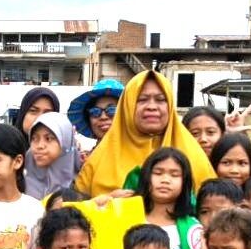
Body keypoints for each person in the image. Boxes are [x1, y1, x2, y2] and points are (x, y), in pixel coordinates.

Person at [74, 71, 213, 197]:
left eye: (160, 100)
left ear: (170, 105)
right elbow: (77, 211)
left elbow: (214, 207)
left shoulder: (194, 156)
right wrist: (107, 202)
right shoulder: (99, 158)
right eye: (142, 100)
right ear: (127, 106)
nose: (151, 107)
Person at [137, 147, 201, 249]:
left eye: (174, 175)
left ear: (185, 183)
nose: (165, 180)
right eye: (158, 173)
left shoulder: (193, 229)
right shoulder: (129, 217)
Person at [24, 112, 79, 201]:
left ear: (65, 143)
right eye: (34, 138)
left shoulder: (81, 186)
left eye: (48, 138)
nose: (40, 145)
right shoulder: (18, 185)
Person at [67, 78, 124, 143]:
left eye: (112, 110)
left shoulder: (136, 152)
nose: (103, 117)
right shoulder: (91, 153)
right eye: (95, 112)